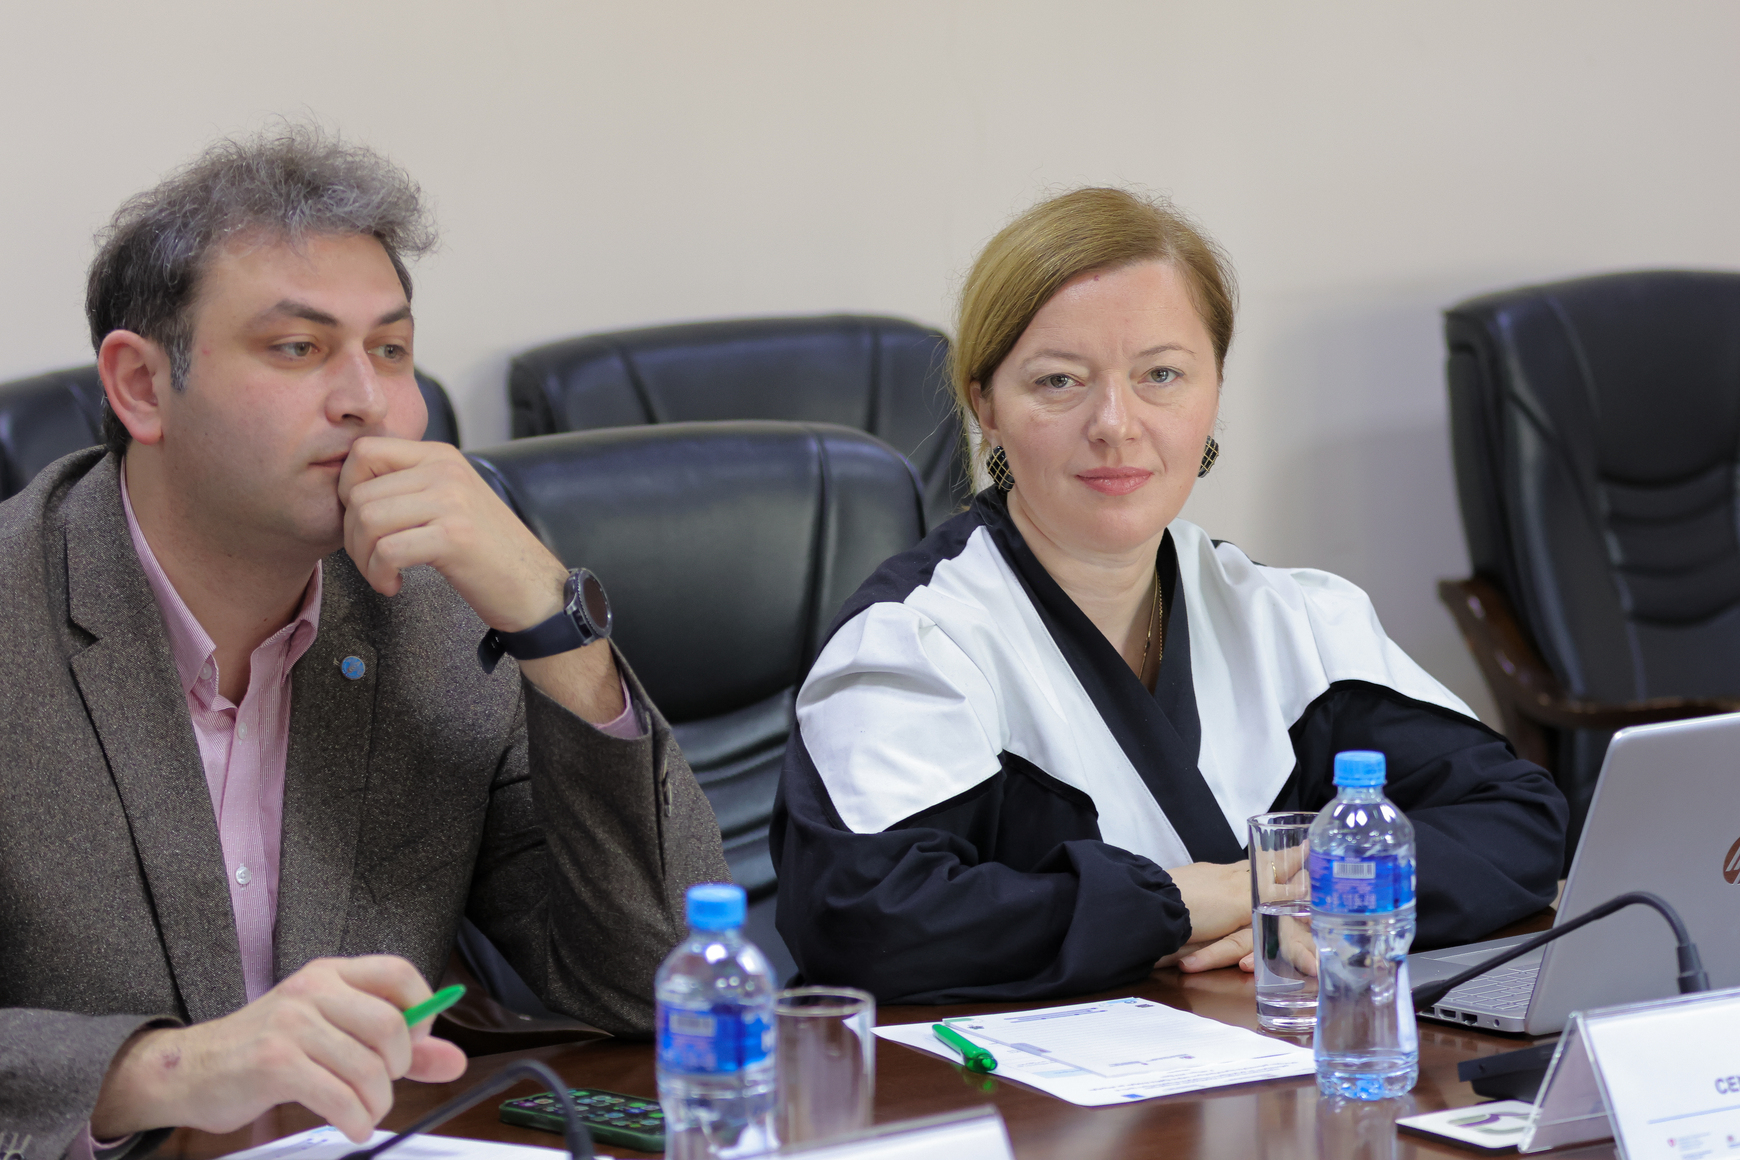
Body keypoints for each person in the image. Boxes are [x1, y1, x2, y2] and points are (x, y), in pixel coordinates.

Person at [0, 126, 728, 1158]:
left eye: (390, 350)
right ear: (142, 387)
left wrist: (551, 620)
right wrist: (166, 1071)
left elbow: (662, 983)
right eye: (297, 348)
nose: (368, 402)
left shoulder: (439, 608)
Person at [770, 187, 1567, 1004]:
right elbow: (864, 919)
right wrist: (1179, 906)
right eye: (1058, 381)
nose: (1116, 424)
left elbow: (1519, 819)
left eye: (1161, 375)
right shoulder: (915, 641)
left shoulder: (1290, 619)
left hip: (1257, 1056)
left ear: (1214, 391)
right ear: (987, 407)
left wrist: (1308, 897)